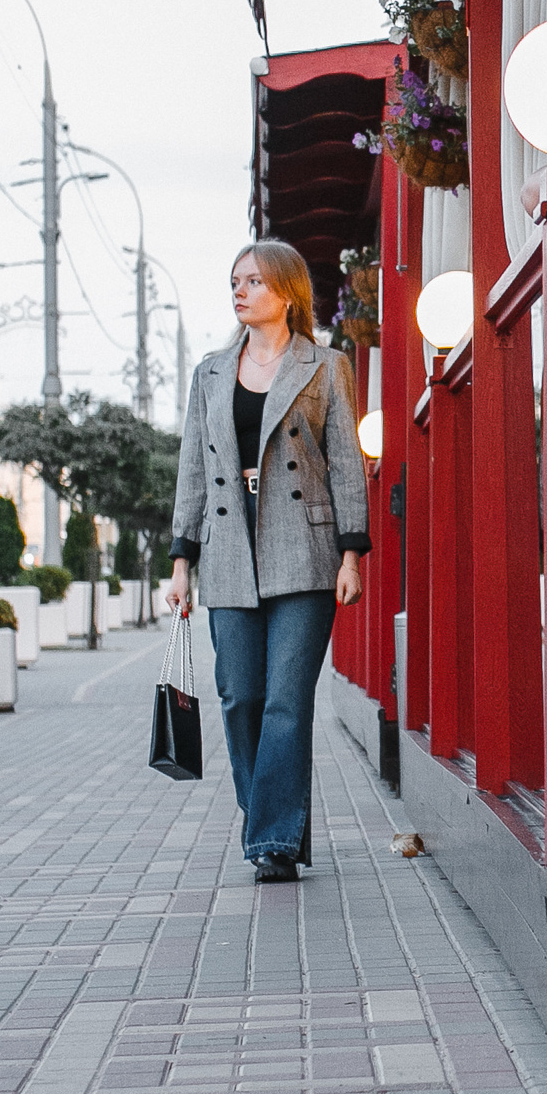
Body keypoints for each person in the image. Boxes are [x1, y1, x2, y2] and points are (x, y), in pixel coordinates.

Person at [164, 241, 371, 883]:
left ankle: (273, 841)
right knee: (238, 698)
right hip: (228, 553)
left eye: (253, 281)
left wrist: (351, 554)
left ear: (286, 292)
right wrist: (180, 562)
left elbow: (344, 464)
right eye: (235, 281)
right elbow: (193, 470)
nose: (240, 291)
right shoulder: (210, 372)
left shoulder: (326, 365)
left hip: (304, 553)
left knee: (286, 700)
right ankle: (270, 823)